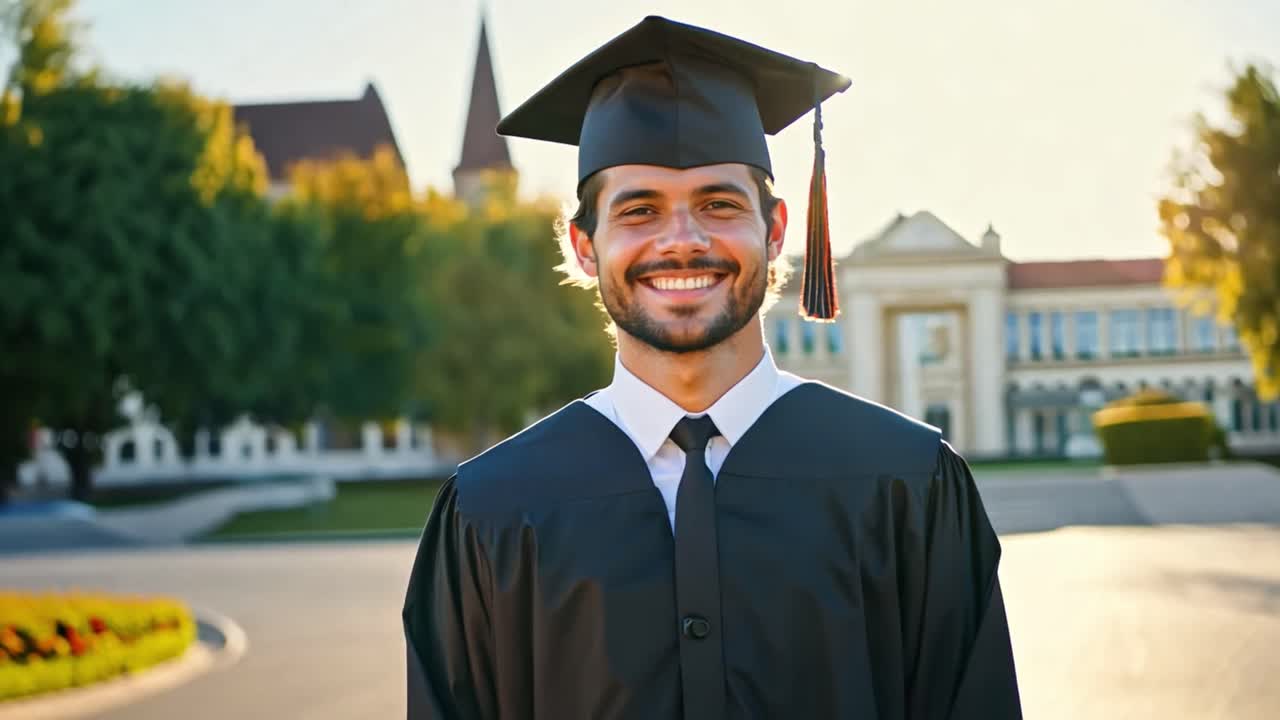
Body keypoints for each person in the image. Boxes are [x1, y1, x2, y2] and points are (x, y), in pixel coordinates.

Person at [403, 15, 1021, 719]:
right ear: (583, 246)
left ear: (776, 230)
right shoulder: (492, 512)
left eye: (718, 204)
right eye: (639, 211)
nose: (683, 240)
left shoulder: (907, 484)